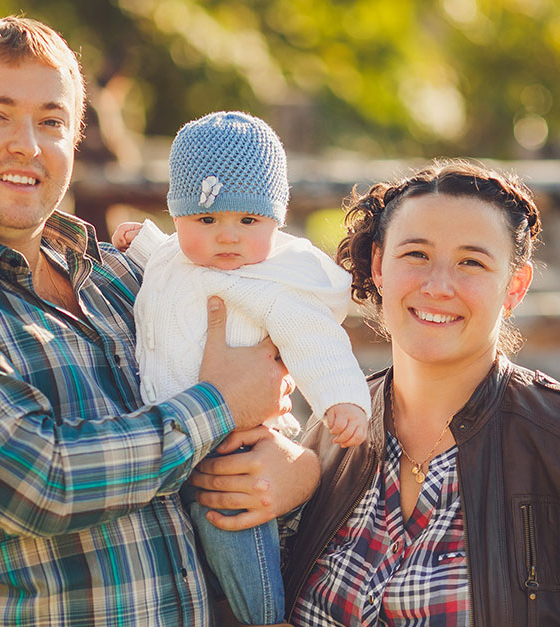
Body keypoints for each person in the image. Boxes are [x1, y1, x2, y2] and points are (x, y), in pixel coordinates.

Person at [0, 16, 317, 625]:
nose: (27, 144)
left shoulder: (120, 278)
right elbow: (42, 483)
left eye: (51, 121)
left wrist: (293, 469)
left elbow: (258, 412)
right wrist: (219, 405)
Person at [277, 159, 560, 625]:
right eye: (416, 254)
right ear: (379, 265)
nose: (438, 285)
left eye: (471, 262)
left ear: (514, 286)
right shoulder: (333, 432)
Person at [110, 111, 369, 626]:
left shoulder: (272, 284)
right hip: (168, 438)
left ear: (275, 220)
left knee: (233, 521)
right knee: (183, 547)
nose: (227, 238)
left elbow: (316, 340)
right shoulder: (179, 258)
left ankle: (265, 616)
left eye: (247, 222)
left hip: (237, 443)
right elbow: (166, 256)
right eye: (207, 220)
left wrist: (344, 398)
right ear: (179, 215)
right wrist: (142, 240)